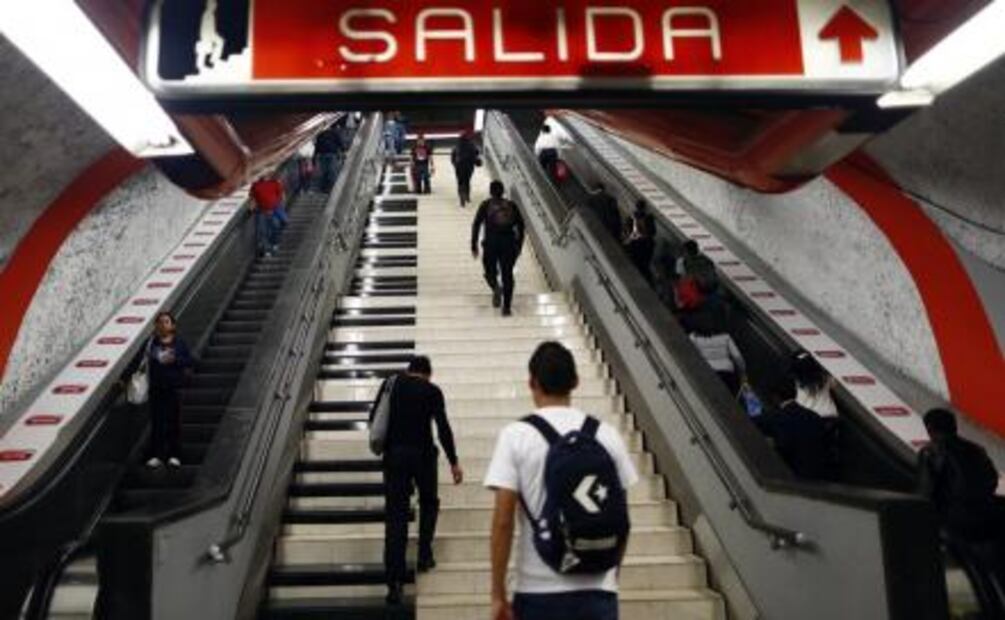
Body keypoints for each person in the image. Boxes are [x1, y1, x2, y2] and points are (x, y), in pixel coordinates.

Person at [485, 341, 638, 620]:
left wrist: (497, 594)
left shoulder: (515, 436)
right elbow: (622, 519)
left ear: (532, 382)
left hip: (537, 592)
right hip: (598, 594)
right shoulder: (607, 435)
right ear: (575, 381)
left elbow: (503, 520)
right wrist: (610, 577)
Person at [370, 356, 463, 605]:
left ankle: (394, 583)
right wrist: (454, 461)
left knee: (396, 517)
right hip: (423, 456)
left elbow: (374, 417)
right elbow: (443, 428)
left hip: (395, 456)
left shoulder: (391, 384)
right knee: (429, 502)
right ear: (428, 374)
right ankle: (424, 554)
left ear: (409, 370)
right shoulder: (432, 391)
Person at [754, 378, 831, 480]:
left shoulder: (776, 418)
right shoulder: (815, 417)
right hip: (821, 478)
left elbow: (746, 421)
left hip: (795, 480)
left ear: (775, 397)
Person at [145, 312, 194, 468]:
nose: (163, 324)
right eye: (159, 322)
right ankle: (156, 456)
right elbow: (140, 363)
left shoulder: (180, 343)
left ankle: (175, 455)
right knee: (157, 423)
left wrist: (175, 360)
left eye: (166, 322)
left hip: (174, 388)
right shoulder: (151, 343)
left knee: (174, 423)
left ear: (172, 325)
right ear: (156, 325)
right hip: (156, 388)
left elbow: (190, 361)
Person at [472, 180, 526, 317]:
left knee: (489, 272)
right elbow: (521, 225)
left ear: (491, 192)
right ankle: (506, 307)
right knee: (507, 275)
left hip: (491, 244)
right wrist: (519, 245)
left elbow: (476, 224)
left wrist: (474, 244)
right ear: (503, 191)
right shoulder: (511, 205)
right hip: (509, 244)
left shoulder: (485, 205)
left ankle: (496, 287)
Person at [687, 305, 745, 396]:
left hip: (707, 373)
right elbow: (738, 358)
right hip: (727, 374)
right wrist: (743, 374)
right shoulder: (725, 337)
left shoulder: (693, 338)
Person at [791, 351, 838, 418]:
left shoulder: (798, 381)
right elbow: (834, 385)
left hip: (808, 416)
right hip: (828, 413)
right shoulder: (823, 377)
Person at [250, 174, 284, 256]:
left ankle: (274, 244)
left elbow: (281, 195)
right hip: (261, 211)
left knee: (275, 227)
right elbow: (253, 198)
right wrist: (251, 207)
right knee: (263, 231)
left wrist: (279, 206)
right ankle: (266, 250)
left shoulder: (275, 183)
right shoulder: (255, 185)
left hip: (274, 210)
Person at [624, 199, 656, 284]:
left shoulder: (630, 217)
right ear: (645, 207)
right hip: (647, 244)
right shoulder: (649, 218)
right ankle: (648, 281)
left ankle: (636, 280)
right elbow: (653, 232)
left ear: (636, 206)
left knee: (635, 262)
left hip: (634, 244)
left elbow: (627, 232)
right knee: (645, 264)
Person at [451, 131, 481, 207]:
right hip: (468, 166)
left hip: (459, 166)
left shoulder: (457, 146)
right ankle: (467, 196)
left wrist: (455, 164)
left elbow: (453, 156)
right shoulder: (471, 145)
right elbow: (476, 153)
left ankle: (461, 197)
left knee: (460, 182)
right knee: (467, 181)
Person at [314, 122, 345, 192]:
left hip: (331, 154)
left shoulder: (333, 133)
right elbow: (317, 146)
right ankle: (324, 188)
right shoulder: (320, 134)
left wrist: (343, 149)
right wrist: (315, 156)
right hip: (323, 155)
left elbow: (339, 142)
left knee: (331, 171)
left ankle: (331, 188)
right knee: (325, 171)